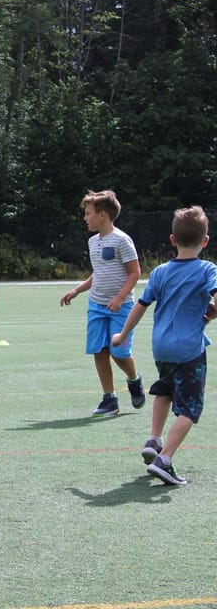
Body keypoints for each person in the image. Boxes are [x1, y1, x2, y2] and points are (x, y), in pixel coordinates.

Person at [111, 206, 217, 485]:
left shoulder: (159, 272)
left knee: (165, 390)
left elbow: (141, 305)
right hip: (189, 350)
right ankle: (165, 459)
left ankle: (154, 439)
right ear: (205, 241)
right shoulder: (207, 269)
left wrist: (122, 335)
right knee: (191, 408)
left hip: (161, 348)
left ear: (172, 239)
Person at [59, 189, 146, 416]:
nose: (85, 218)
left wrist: (119, 297)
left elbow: (135, 273)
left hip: (121, 307)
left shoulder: (122, 240)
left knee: (119, 352)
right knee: (99, 351)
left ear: (102, 215)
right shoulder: (92, 242)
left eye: (88, 213)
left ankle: (134, 380)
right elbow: (97, 273)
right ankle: (110, 399)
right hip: (97, 305)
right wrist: (77, 290)